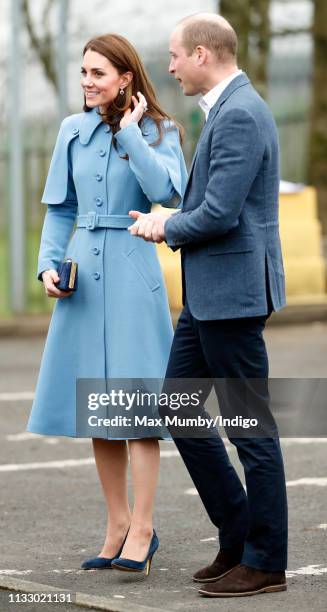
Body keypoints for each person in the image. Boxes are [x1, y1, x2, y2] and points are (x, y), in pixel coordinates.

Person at [128, 13, 288, 597]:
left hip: (234, 297)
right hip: (210, 297)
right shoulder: (227, 109)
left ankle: (267, 561)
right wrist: (169, 220)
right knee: (179, 408)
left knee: (250, 428)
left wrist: (163, 226)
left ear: (201, 54)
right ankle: (240, 533)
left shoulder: (241, 113)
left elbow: (219, 214)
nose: (168, 68)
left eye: (174, 56)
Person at [27, 33, 187, 576]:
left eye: (98, 73)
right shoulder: (72, 130)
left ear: (126, 78)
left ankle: (144, 528)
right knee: (100, 407)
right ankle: (116, 523)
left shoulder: (160, 131)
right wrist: (49, 265)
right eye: (84, 73)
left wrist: (128, 133)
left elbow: (168, 190)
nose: (87, 82)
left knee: (138, 407)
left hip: (132, 267)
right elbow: (59, 208)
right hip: (82, 275)